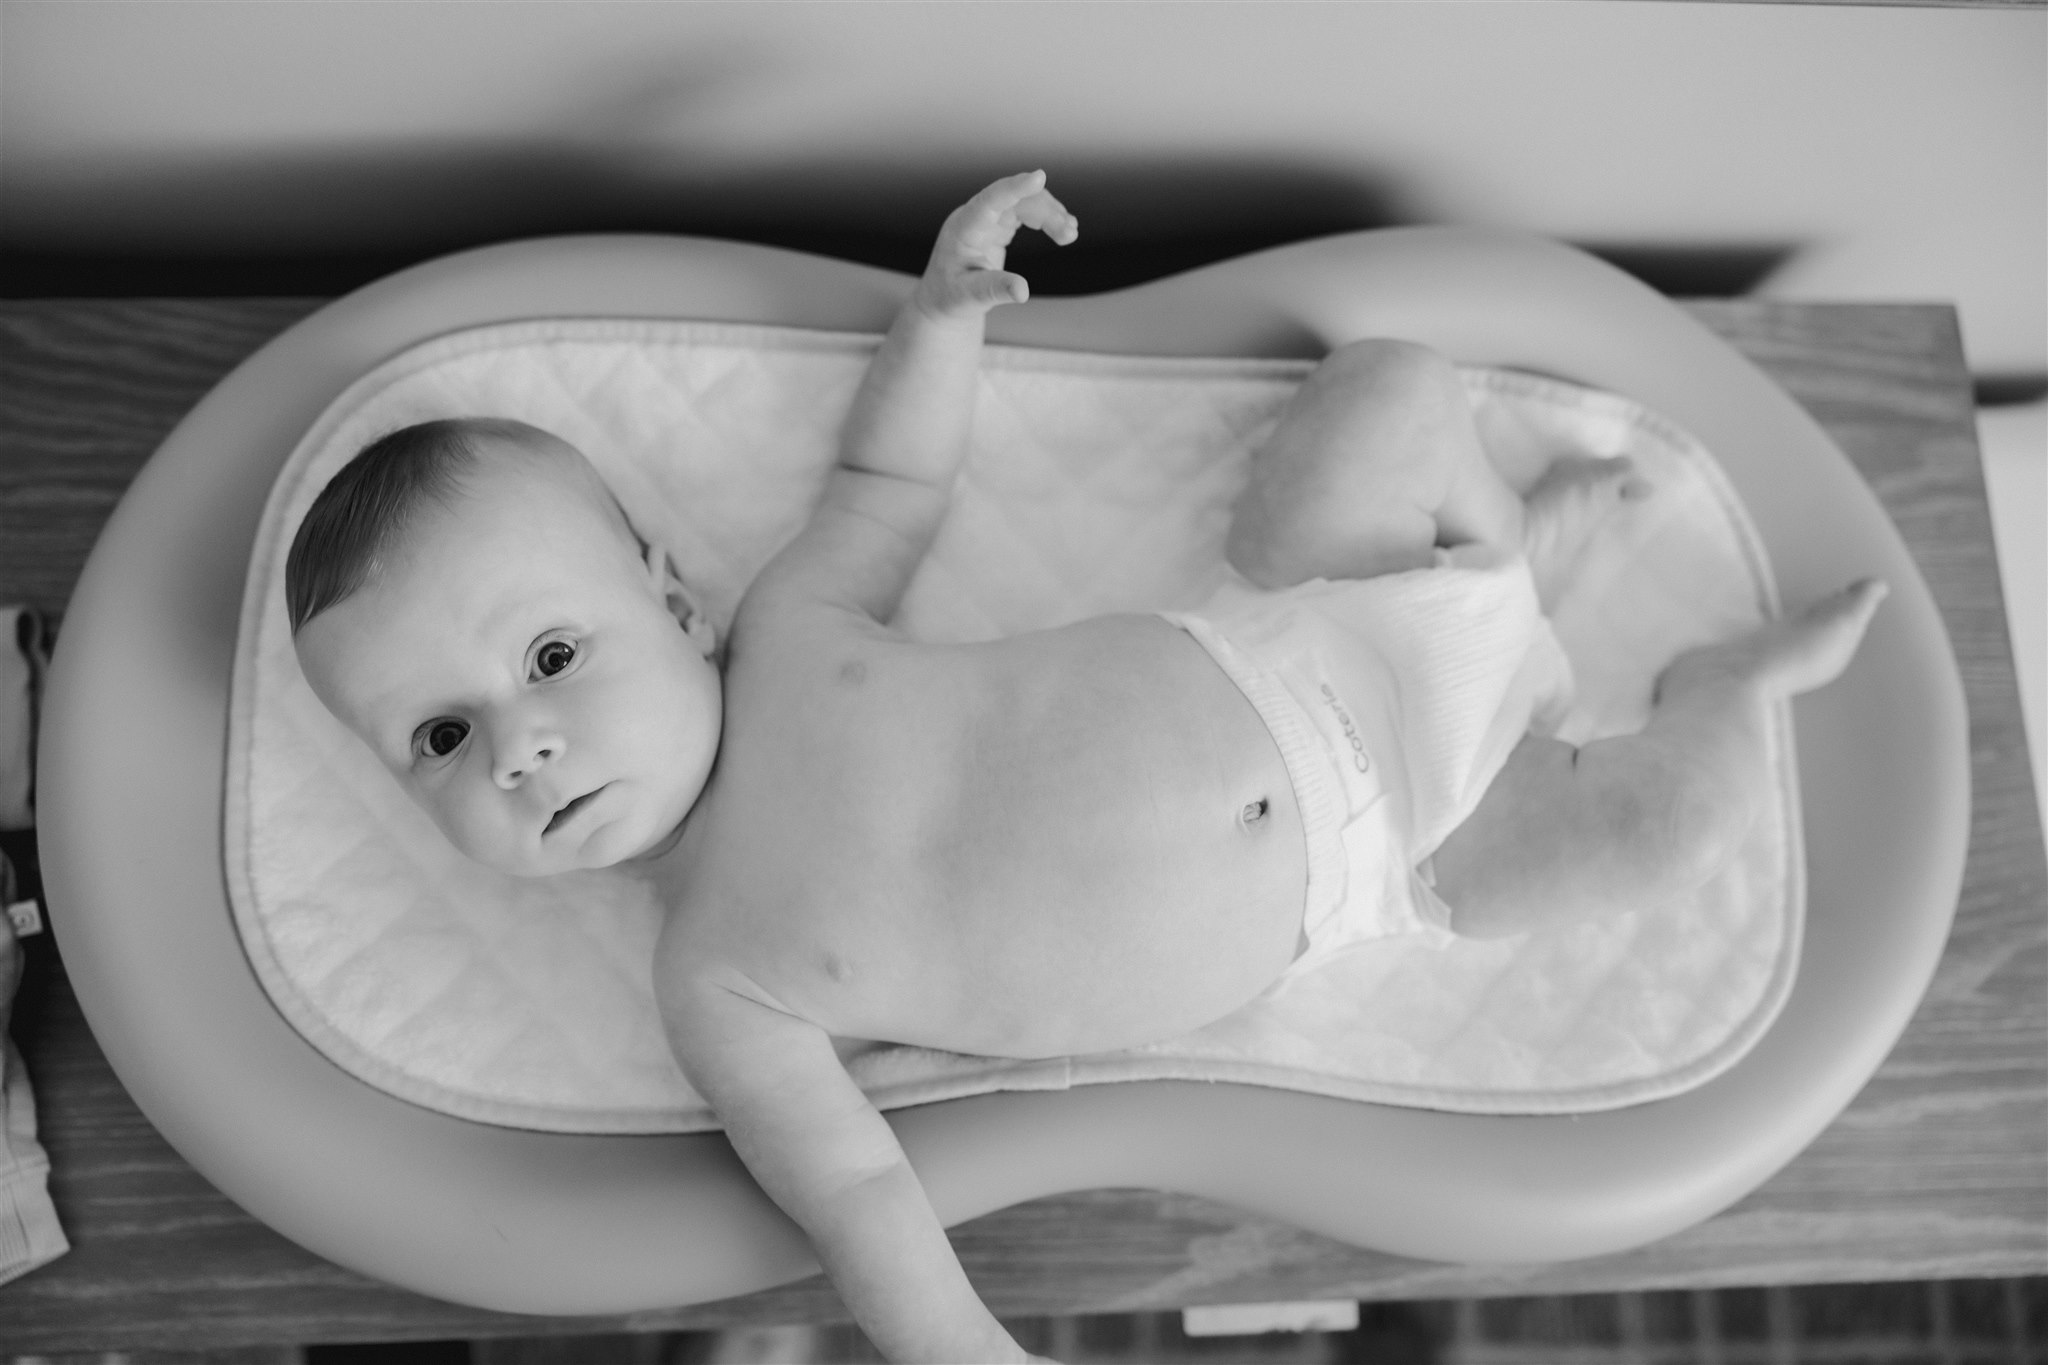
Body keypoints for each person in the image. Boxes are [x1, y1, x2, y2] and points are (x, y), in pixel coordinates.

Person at [288, 171, 1886, 1364]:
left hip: (1307, 621)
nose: (523, 744)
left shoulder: (789, 629)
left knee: (1389, 386)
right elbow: (858, 1198)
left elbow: (891, 472)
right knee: (1664, 827)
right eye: (440, 737)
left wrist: (938, 319)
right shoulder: (715, 977)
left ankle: (1514, 570)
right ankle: (1717, 684)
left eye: (548, 658)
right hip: (1412, 842)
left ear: (671, 596)